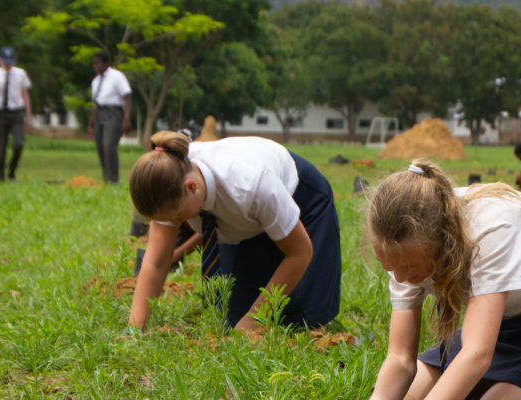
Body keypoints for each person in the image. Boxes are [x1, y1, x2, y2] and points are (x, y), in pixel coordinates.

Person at [367, 159, 521, 400]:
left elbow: (476, 355)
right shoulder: (400, 244)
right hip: (504, 318)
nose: (401, 278)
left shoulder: (491, 230)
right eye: (388, 265)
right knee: (419, 387)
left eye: (410, 266)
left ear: (441, 242)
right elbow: (400, 358)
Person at [126, 131, 341, 331]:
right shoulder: (165, 181)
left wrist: (254, 320)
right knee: (231, 320)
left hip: (303, 203)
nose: (175, 225)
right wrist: (134, 330)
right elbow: (155, 263)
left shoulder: (251, 185)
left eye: (177, 218)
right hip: (246, 225)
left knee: (302, 320)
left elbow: (300, 253)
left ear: (191, 187)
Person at [0, 46, 32, 181]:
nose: (8, 65)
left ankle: (11, 171)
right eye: (5, 61)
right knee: (0, 149)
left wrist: (28, 115)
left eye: (11, 61)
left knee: (18, 143)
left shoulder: (21, 74)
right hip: (0, 113)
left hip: (16, 113)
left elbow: (25, 94)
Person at [87, 52, 132, 184]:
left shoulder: (117, 76)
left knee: (109, 146)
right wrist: (91, 123)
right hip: (99, 113)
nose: (96, 66)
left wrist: (127, 118)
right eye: (94, 64)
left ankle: (114, 179)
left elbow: (127, 96)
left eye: (98, 63)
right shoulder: (95, 81)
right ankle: (106, 177)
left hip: (113, 112)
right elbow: (96, 103)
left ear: (107, 63)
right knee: (100, 146)